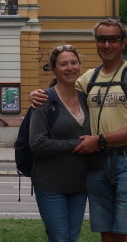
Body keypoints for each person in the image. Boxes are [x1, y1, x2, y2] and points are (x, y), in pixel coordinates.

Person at [31, 18, 127, 242]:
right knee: (106, 232)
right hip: (97, 164)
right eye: (101, 39)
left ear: (123, 42)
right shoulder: (88, 79)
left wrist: (100, 141)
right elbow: (61, 90)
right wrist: (38, 94)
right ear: (96, 42)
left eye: (113, 39)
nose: (107, 45)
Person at [30, 44, 90, 242]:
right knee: (60, 238)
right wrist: (76, 144)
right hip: (50, 185)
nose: (70, 67)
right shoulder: (44, 100)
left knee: (72, 238)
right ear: (54, 69)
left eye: (74, 62)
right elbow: (37, 143)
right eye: (63, 64)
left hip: (79, 185)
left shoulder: (86, 99)